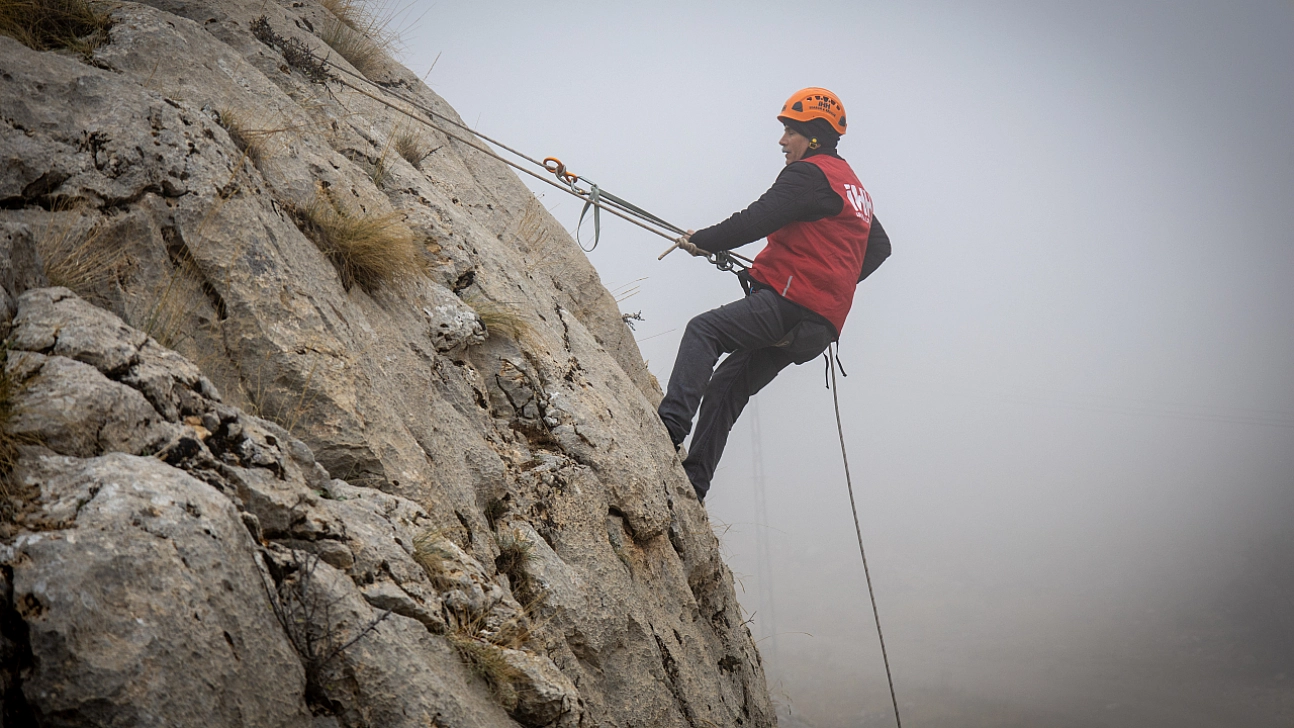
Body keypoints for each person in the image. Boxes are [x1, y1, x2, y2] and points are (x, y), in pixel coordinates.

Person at [657, 87, 891, 502]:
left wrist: (705, 240)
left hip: (789, 305)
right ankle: (693, 487)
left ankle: (667, 430)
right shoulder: (854, 190)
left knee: (704, 331)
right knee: (727, 386)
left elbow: (757, 218)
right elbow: (879, 248)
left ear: (814, 137)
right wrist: (833, 284)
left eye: (790, 132)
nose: (782, 141)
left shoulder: (810, 175)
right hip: (817, 329)